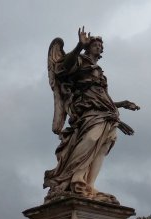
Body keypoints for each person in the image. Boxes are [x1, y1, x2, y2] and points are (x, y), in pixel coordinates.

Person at [44, 27, 140, 204]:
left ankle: (89, 185)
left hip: (107, 113)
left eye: (100, 45)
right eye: (95, 44)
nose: (98, 47)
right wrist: (79, 46)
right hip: (88, 112)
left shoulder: (99, 71)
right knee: (90, 140)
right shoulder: (80, 61)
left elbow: (102, 96)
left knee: (102, 147)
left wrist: (122, 105)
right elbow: (62, 67)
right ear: (89, 47)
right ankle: (75, 180)